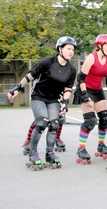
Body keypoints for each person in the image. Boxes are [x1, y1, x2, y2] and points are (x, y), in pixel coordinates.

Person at [7, 36, 77, 170]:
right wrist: (17, 88)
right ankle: (33, 152)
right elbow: (30, 75)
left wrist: (65, 102)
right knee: (42, 122)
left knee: (54, 124)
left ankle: (50, 153)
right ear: (60, 49)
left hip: (53, 99)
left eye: (73, 49)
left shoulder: (71, 70)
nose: (71, 52)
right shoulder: (48, 62)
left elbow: (68, 88)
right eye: (68, 48)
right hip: (38, 97)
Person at [73, 34, 107, 164]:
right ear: (100, 46)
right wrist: (85, 96)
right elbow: (81, 78)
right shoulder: (91, 58)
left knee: (105, 118)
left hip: (97, 90)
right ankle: (81, 148)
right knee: (90, 120)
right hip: (85, 88)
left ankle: (101, 145)